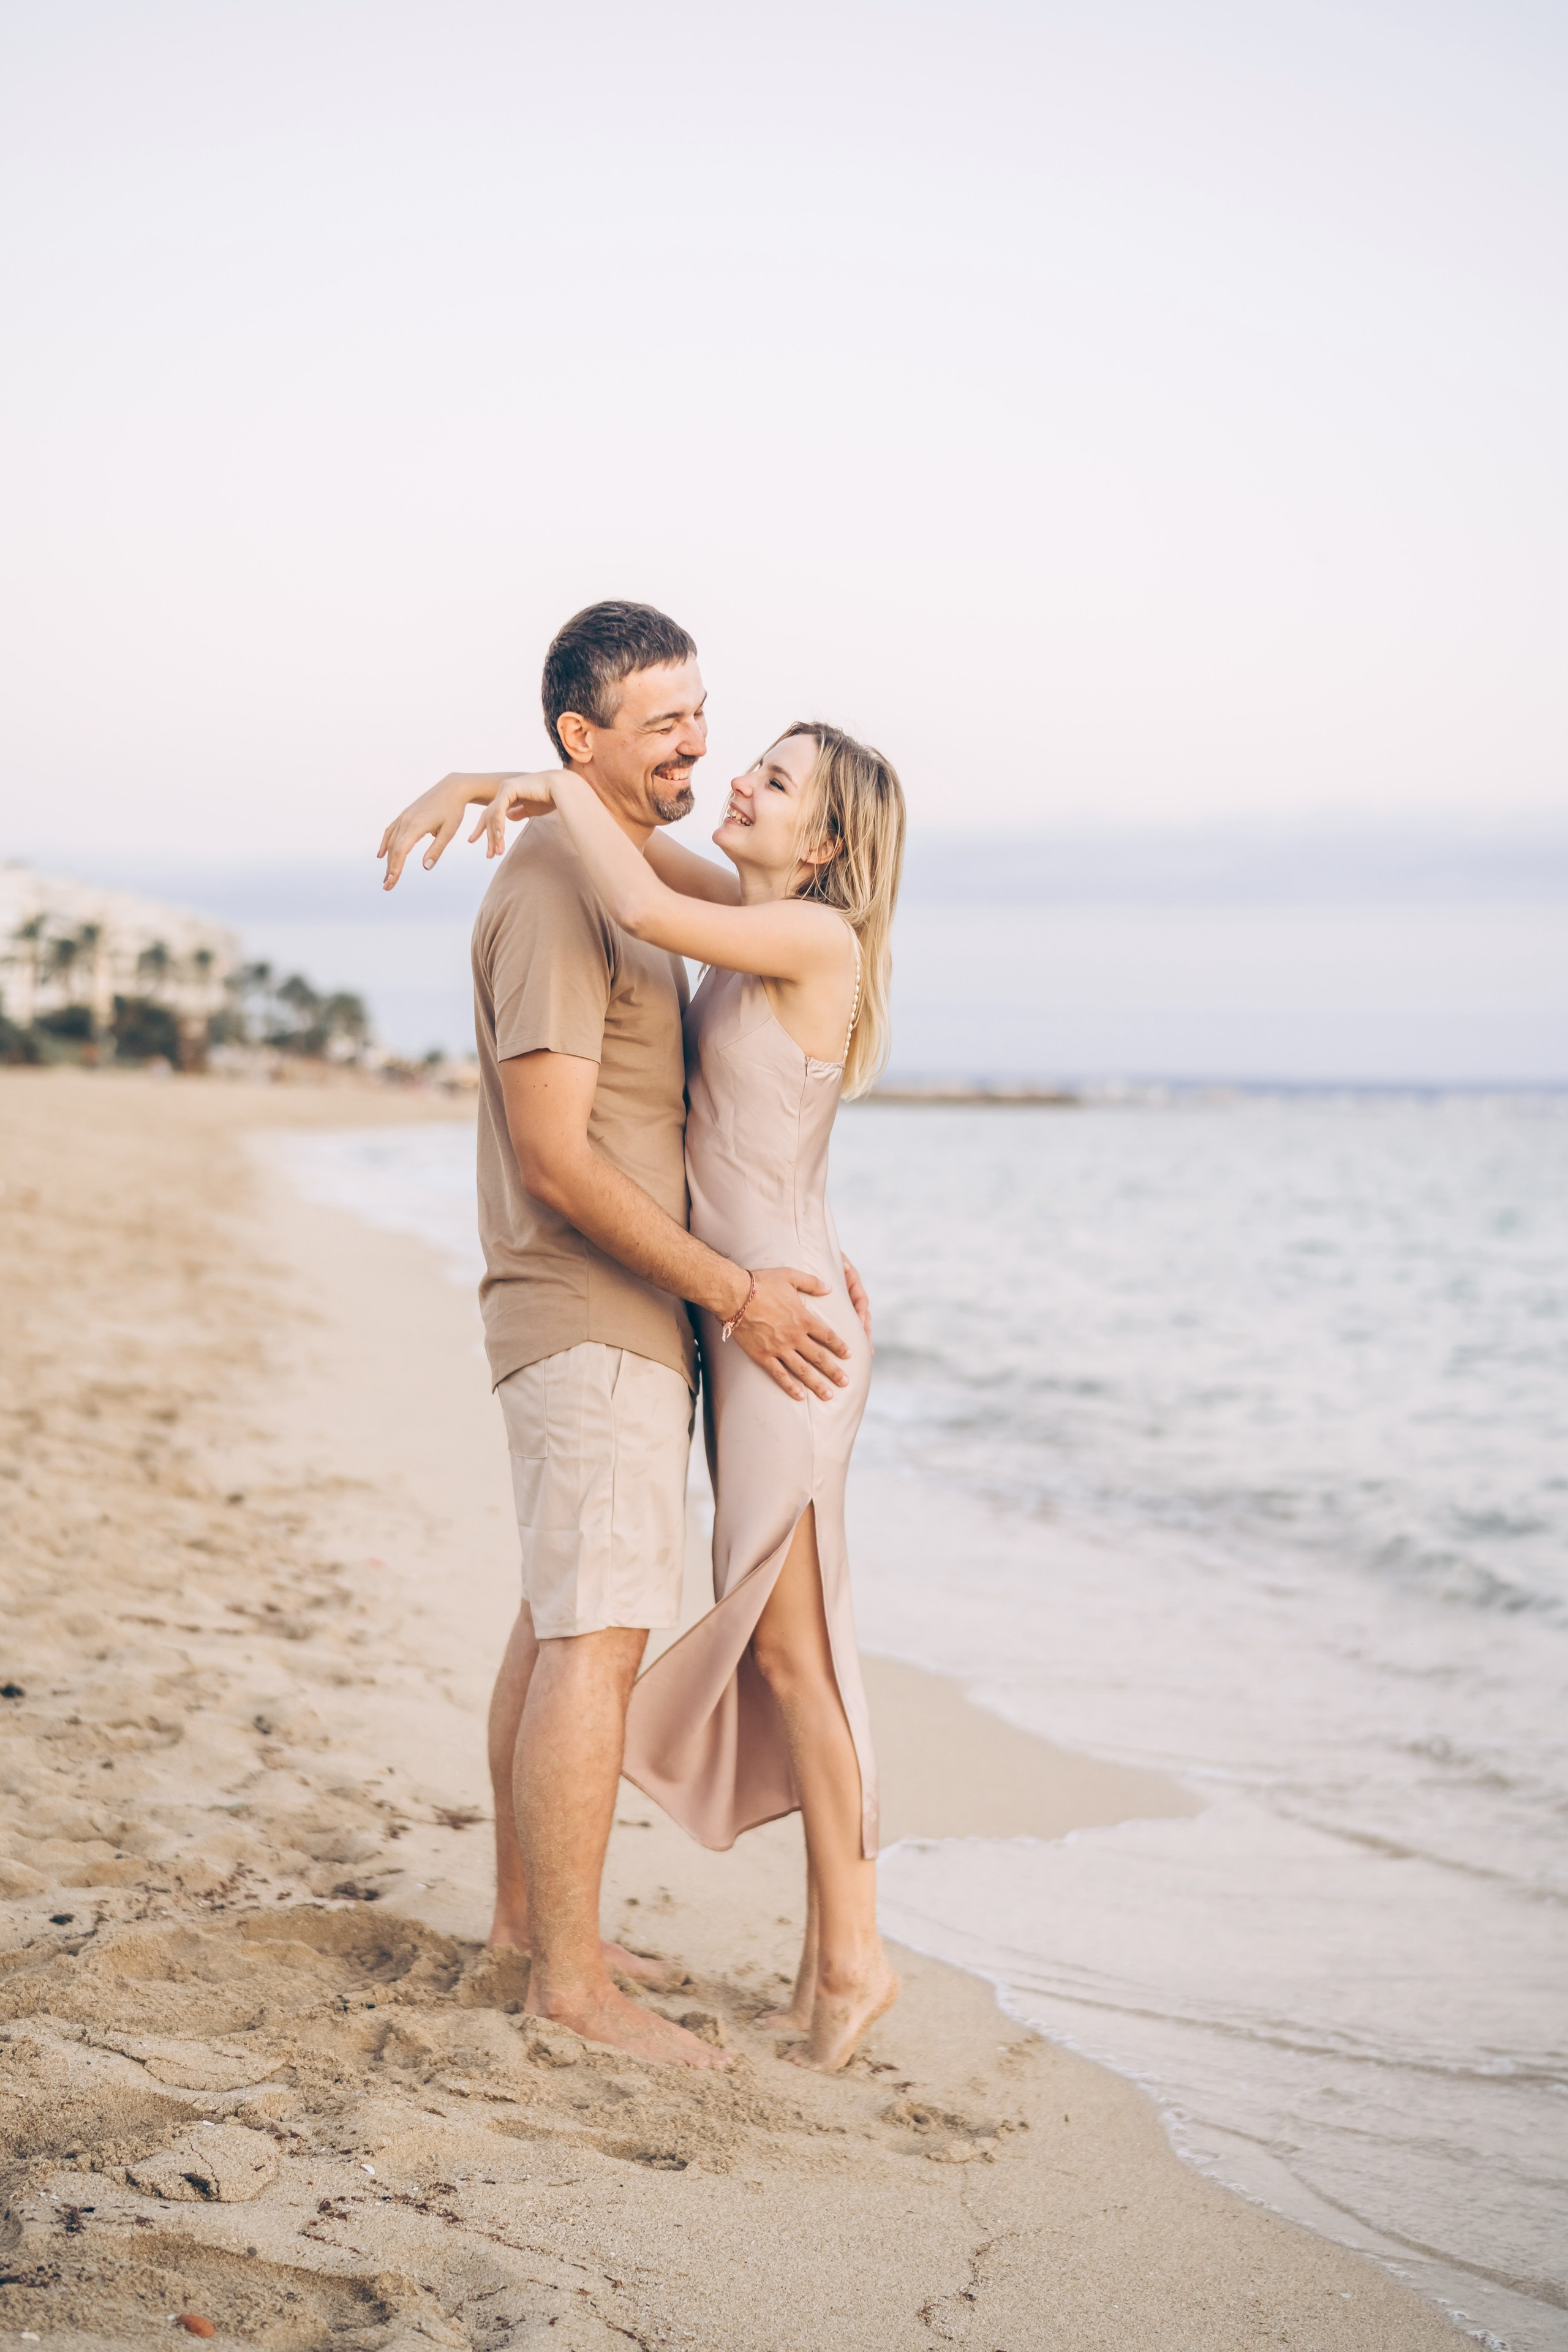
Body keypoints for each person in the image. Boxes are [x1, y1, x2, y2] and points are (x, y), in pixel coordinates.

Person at [378, 601, 870, 2071]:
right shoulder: (557, 889)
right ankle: (573, 1984)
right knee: (603, 1632)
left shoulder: (654, 880)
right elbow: (556, 1157)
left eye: (708, 720)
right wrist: (737, 1291)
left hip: (694, 1312)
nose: (704, 750)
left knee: (571, 1624)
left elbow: (692, 973)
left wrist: (504, 778)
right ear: (588, 737)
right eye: (669, 724)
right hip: (614, 1307)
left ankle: (546, 1934)